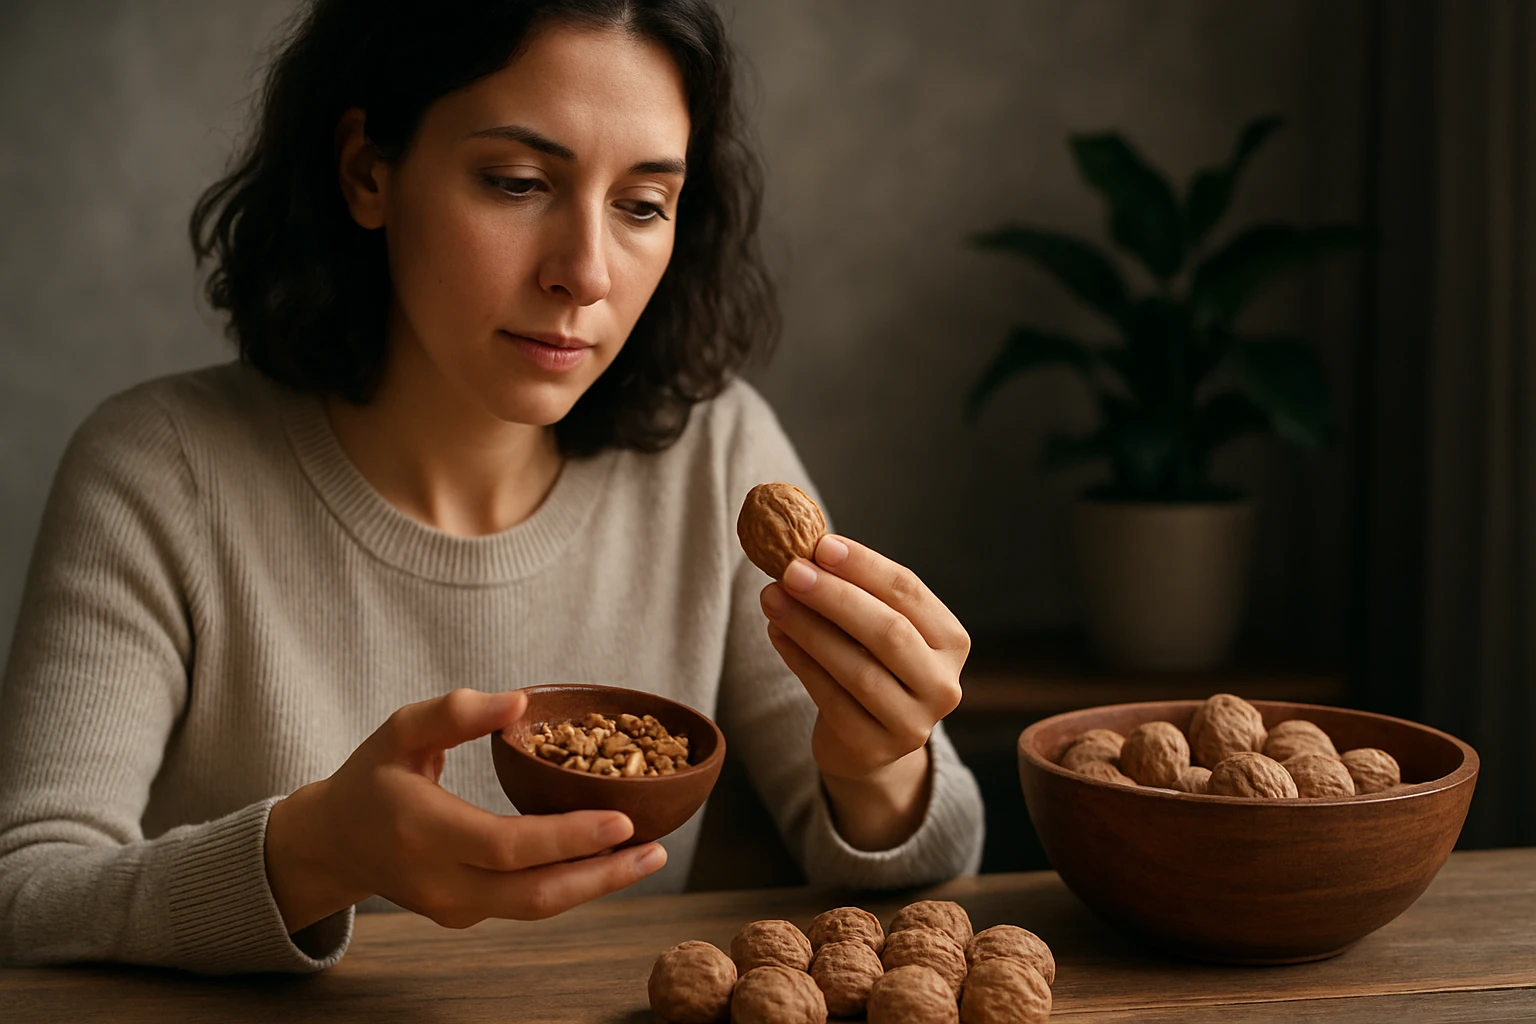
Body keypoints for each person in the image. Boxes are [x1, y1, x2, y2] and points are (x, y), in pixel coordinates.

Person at [0, 0, 984, 974]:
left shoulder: (716, 451)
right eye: (517, 182)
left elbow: (921, 879)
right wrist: (312, 852)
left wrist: (882, 762)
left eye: (642, 204)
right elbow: (25, 896)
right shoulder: (158, 470)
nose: (585, 273)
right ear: (366, 169)